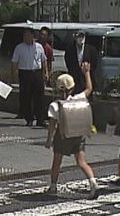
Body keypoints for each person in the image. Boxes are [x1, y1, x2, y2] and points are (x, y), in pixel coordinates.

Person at [44, 62, 98, 197]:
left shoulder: (55, 105)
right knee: (81, 162)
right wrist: (87, 73)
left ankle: (53, 186)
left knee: (57, 161)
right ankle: (92, 181)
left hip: (62, 136)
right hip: (79, 135)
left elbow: (52, 125)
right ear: (72, 88)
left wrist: (49, 139)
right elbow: (89, 88)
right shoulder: (78, 98)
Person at [12, 27, 48, 126]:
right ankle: (29, 118)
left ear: (33, 36)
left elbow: (44, 60)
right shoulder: (19, 47)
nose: (26, 37)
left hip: (36, 72)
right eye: (24, 35)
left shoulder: (39, 47)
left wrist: (46, 72)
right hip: (25, 73)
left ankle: (40, 119)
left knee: (39, 97)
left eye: (28, 35)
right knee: (26, 96)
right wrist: (15, 74)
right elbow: (14, 62)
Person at [64, 30, 99, 95]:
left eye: (82, 36)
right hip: (74, 81)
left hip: (87, 80)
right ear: (75, 37)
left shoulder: (92, 50)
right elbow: (68, 64)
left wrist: (87, 71)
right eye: (79, 36)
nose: (81, 39)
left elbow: (94, 64)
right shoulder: (69, 51)